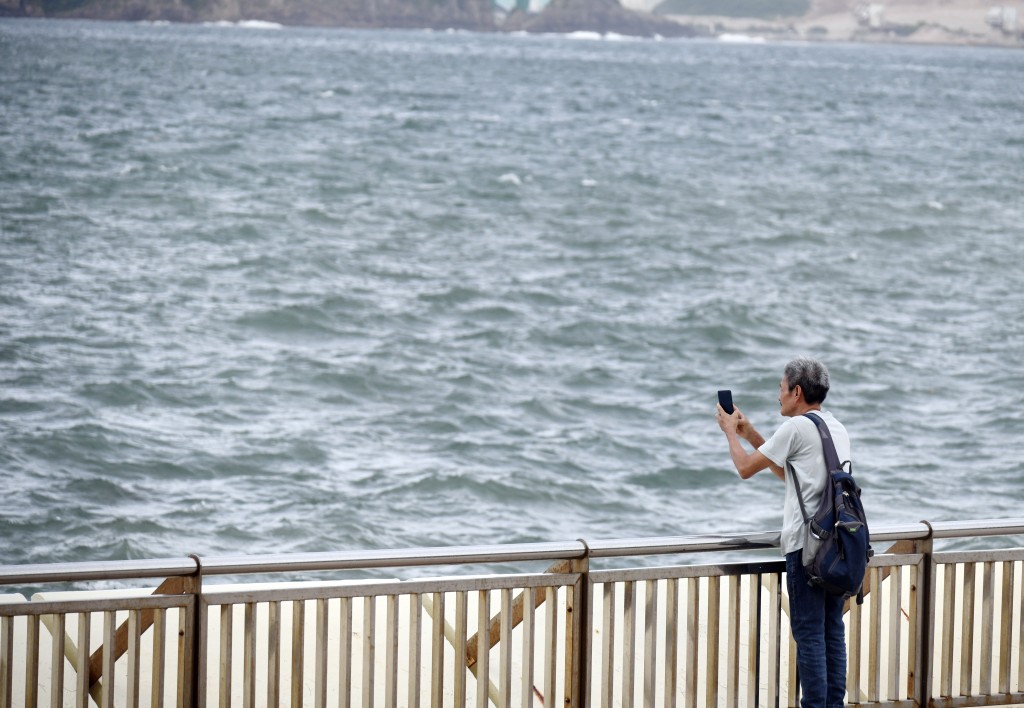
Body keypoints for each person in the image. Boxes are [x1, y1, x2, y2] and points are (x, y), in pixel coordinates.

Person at [716, 357, 850, 708]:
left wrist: (729, 432)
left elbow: (745, 468)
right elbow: (789, 474)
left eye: (781, 388)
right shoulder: (836, 428)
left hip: (805, 549)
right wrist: (750, 434)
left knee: (809, 635)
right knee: (832, 631)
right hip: (835, 549)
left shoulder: (795, 428)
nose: (778, 395)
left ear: (797, 392)